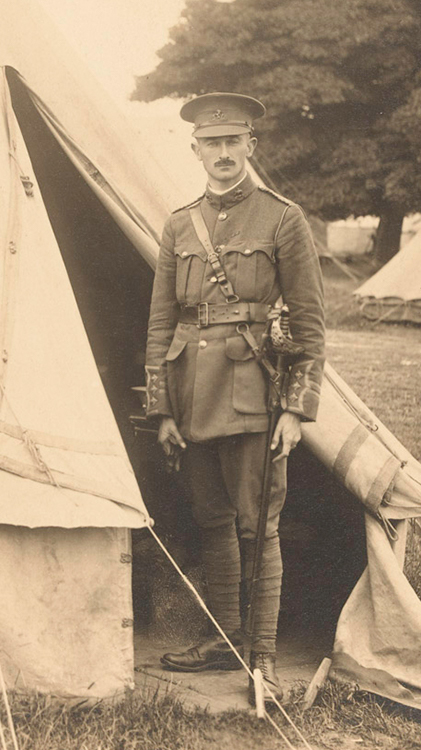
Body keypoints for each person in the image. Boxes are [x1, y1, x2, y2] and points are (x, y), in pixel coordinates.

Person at [144, 92, 325, 702]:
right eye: (211, 144)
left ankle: (263, 658)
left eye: (233, 142)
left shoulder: (282, 219)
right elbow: (161, 324)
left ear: (252, 146)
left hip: (253, 396)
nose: (223, 153)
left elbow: (308, 323)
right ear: (195, 150)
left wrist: (298, 409)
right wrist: (162, 408)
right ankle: (224, 637)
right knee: (212, 521)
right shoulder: (178, 224)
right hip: (192, 397)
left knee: (258, 526)